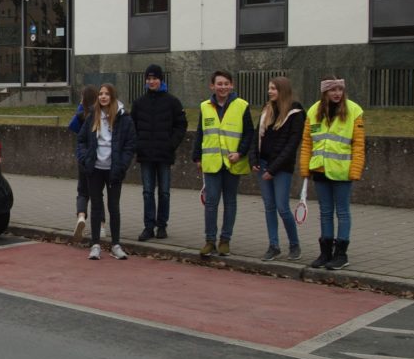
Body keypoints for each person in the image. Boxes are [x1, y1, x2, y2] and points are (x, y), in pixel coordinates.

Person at [299, 76, 365, 270]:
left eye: (340, 89)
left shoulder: (354, 110)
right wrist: (305, 169)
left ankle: (341, 253)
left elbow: (359, 145)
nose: (337, 93)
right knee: (325, 212)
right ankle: (325, 252)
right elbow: (307, 143)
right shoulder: (313, 111)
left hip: (342, 172)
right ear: (324, 92)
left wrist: (355, 170)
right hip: (320, 169)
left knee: (342, 212)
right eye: (332, 90)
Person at [192, 70, 253, 257]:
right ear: (212, 86)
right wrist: (197, 157)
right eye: (219, 83)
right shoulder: (204, 107)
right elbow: (200, 133)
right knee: (211, 203)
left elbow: (249, 133)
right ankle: (210, 240)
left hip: (232, 162)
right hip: (211, 163)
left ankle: (225, 240)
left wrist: (240, 153)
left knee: (230, 202)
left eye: (226, 83)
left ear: (232, 85)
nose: (223, 87)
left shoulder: (242, 106)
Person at [76, 83, 136, 260]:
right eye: (100, 94)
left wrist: (122, 164)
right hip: (95, 169)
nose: (103, 97)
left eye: (106, 94)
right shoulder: (92, 116)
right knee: (95, 206)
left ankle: (116, 244)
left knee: (113, 207)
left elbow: (130, 144)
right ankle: (95, 245)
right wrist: (85, 158)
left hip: (114, 169)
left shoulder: (124, 118)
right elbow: (81, 140)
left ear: (113, 96)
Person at [249, 76, 305, 261]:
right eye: (269, 88)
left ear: (283, 90)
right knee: (269, 207)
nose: (270, 91)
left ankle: (294, 244)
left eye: (274, 88)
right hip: (263, 164)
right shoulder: (267, 110)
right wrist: (254, 159)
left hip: (281, 168)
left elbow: (291, 145)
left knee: (282, 207)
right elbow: (256, 136)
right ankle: (273, 245)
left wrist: (272, 169)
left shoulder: (295, 113)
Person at [130, 64, 187, 241]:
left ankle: (162, 225)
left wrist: (172, 144)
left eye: (155, 78)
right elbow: (132, 127)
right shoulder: (139, 103)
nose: (151, 81)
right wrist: (138, 145)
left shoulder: (172, 102)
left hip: (164, 154)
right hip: (146, 155)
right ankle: (148, 226)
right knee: (147, 192)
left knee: (164, 192)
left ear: (161, 80)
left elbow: (181, 125)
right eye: (149, 78)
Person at [68, 85, 102, 241]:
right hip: (98, 158)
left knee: (82, 191)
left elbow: (72, 127)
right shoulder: (99, 115)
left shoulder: (81, 115)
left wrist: (81, 106)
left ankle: (81, 216)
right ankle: (101, 225)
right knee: (97, 193)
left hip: (83, 158)